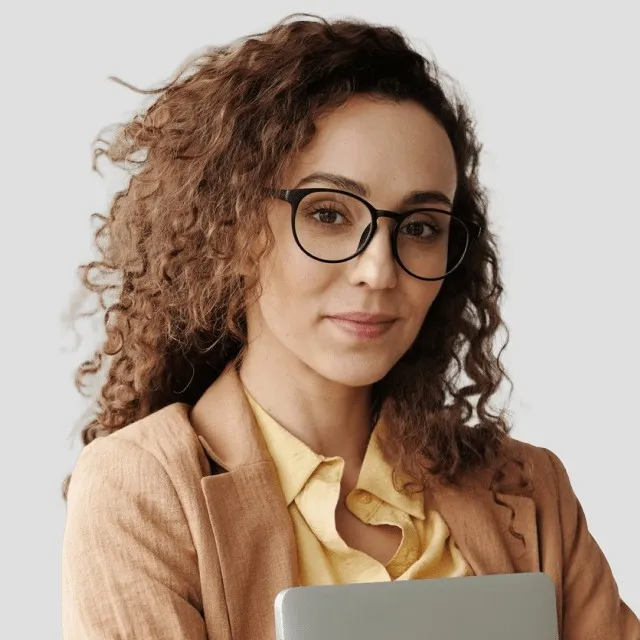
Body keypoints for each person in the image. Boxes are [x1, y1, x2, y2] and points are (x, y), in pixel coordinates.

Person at [60, 14, 639, 640]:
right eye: (329, 213)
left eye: (419, 227)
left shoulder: (529, 488)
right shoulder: (143, 490)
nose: (378, 270)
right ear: (232, 228)